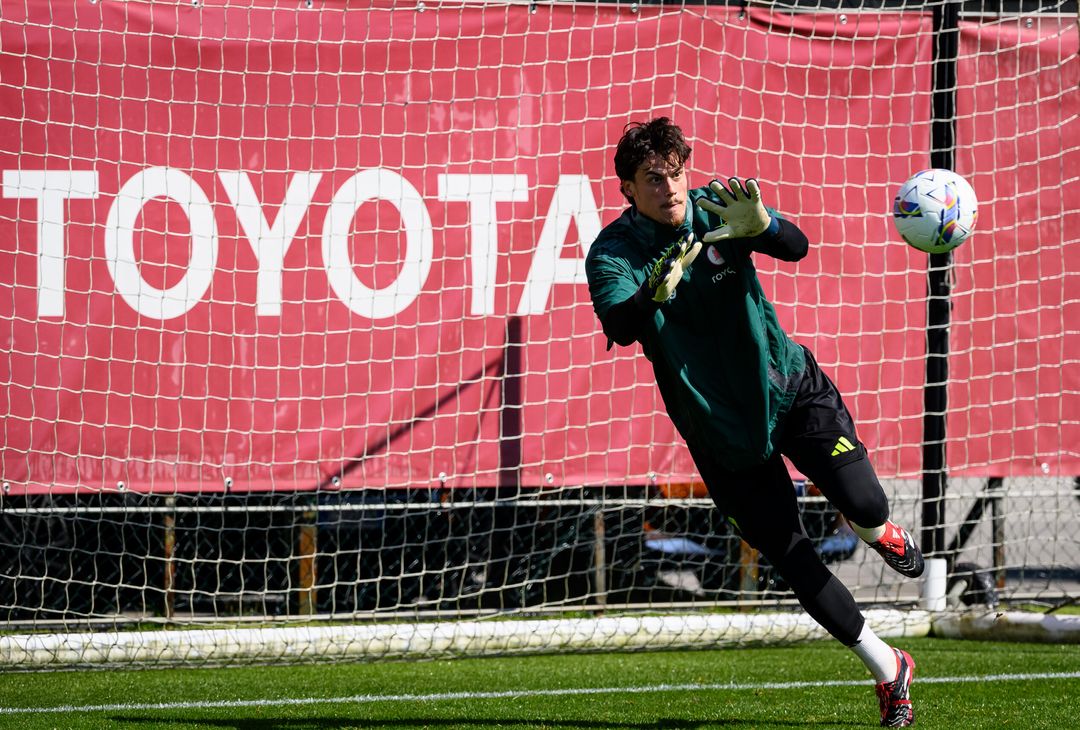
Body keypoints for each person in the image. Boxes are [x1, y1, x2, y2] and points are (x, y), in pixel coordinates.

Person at [585, 117, 923, 728]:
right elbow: (621, 325)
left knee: (865, 503)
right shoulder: (612, 252)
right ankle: (888, 667)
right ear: (628, 189)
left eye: (676, 173)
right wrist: (649, 295)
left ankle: (878, 531)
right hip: (720, 431)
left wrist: (764, 226)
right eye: (653, 178)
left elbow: (797, 247)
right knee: (792, 556)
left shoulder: (719, 209)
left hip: (788, 387)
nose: (670, 187)